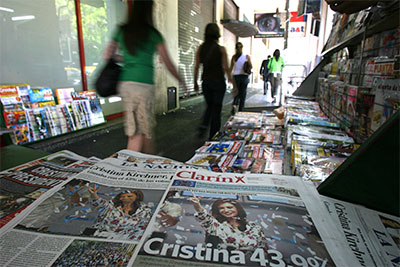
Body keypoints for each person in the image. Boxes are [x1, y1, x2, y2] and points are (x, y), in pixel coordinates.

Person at [103, 0, 187, 154]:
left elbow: (108, 55)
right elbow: (168, 63)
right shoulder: (153, 34)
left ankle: (150, 158)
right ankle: (128, 168)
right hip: (143, 86)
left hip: (126, 85)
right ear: (149, 10)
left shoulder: (122, 30)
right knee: (137, 133)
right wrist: (182, 82)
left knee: (145, 127)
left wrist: (128, 59)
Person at [190, 195, 268, 252]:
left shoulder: (254, 227)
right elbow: (205, 219)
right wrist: (197, 206)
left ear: (237, 209)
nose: (226, 210)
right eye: (221, 208)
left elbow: (263, 248)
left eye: (229, 207)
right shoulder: (218, 226)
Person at [194, 23, 231, 139]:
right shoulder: (221, 49)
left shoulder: (201, 48)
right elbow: (225, 67)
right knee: (217, 109)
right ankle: (213, 136)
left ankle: (204, 125)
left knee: (209, 106)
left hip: (206, 82)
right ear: (217, 35)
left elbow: (196, 66)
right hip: (219, 82)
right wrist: (232, 82)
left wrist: (195, 82)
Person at [88, 186, 152, 241]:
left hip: (126, 241)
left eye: (129, 196)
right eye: (123, 196)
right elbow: (100, 203)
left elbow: (142, 228)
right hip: (100, 237)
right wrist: (94, 195)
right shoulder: (111, 206)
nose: (126, 198)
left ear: (137, 197)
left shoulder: (144, 210)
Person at [230, 42, 252, 115]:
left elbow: (231, 68)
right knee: (243, 93)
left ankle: (234, 105)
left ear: (235, 48)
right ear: (242, 48)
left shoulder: (234, 57)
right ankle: (240, 110)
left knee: (237, 92)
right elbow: (251, 66)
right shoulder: (246, 57)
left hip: (236, 77)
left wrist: (229, 77)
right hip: (244, 76)